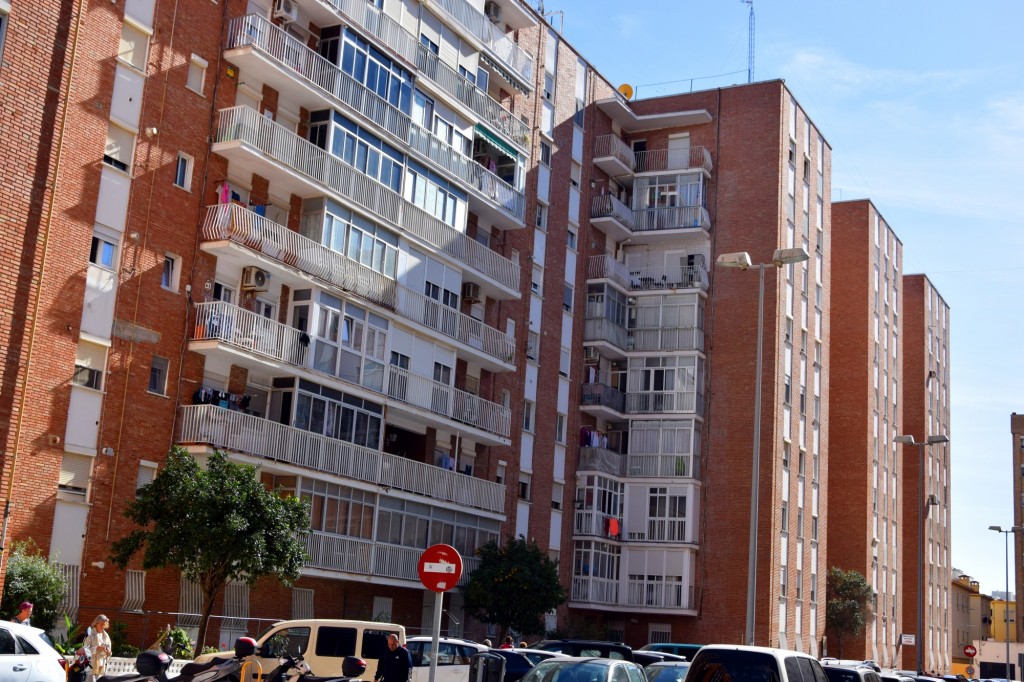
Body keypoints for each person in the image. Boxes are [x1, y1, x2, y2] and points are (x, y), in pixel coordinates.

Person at [85, 615, 112, 682]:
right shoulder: (90, 634)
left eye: (104, 625)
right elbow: (85, 649)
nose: (103, 627)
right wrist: (97, 648)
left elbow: (109, 648)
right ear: (96, 624)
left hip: (102, 663)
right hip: (92, 663)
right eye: (101, 625)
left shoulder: (106, 636)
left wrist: (108, 652)